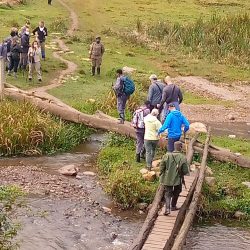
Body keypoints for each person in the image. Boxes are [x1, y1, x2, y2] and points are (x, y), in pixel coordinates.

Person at [160, 141, 189, 215]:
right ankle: (173, 206)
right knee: (177, 191)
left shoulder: (166, 155)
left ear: (174, 147)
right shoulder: (182, 157)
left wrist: (162, 173)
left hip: (167, 178)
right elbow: (185, 170)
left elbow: (162, 166)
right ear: (181, 147)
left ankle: (167, 208)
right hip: (178, 178)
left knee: (167, 193)